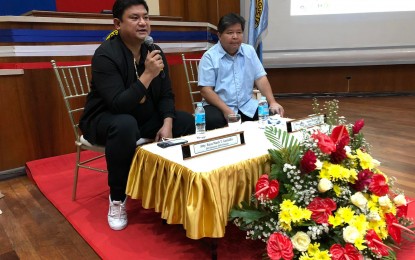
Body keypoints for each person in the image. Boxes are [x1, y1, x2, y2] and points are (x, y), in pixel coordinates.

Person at [79, 0, 195, 231]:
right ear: (117, 23)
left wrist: (168, 122)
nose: (143, 23)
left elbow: (166, 94)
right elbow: (117, 104)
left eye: (146, 17)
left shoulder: (154, 50)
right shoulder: (105, 55)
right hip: (106, 120)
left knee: (187, 121)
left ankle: (172, 188)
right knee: (125, 124)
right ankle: (118, 199)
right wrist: (148, 74)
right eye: (134, 18)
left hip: (142, 117)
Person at [198, 13, 284, 130]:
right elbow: (205, 91)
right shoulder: (209, 57)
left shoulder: (249, 51)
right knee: (212, 120)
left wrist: (272, 101)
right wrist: (226, 110)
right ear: (219, 35)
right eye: (230, 33)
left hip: (246, 104)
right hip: (219, 106)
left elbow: (260, 78)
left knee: (272, 114)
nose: (235, 36)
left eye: (239, 32)